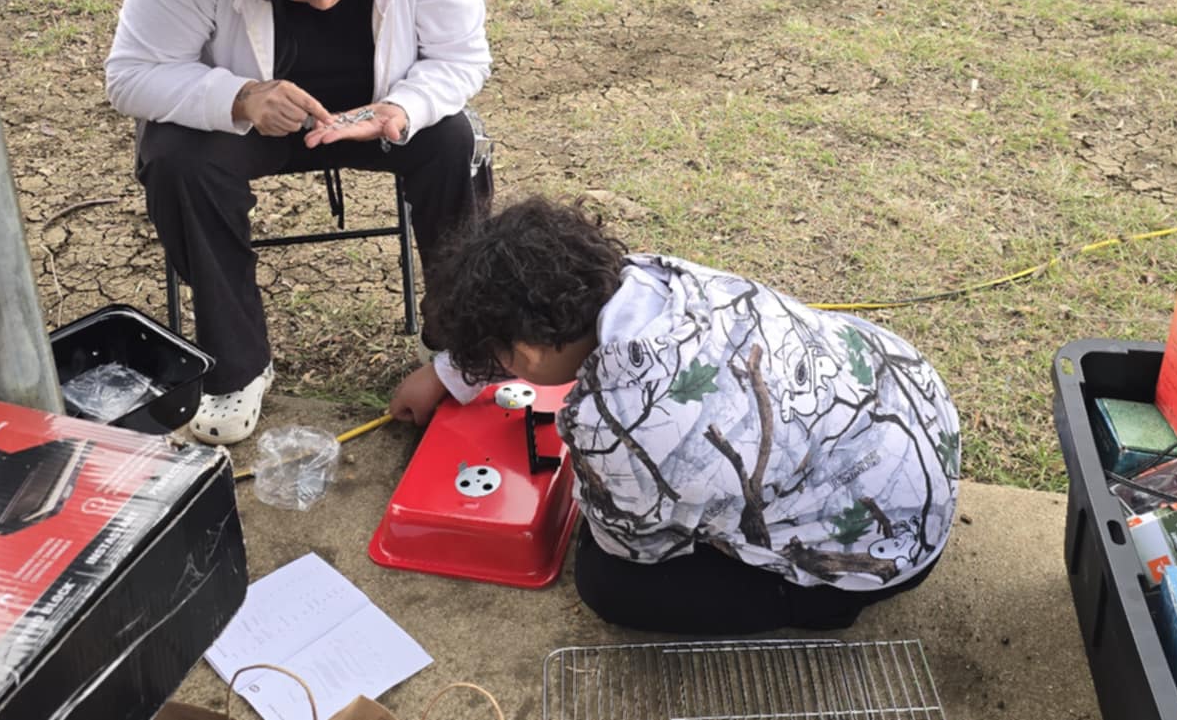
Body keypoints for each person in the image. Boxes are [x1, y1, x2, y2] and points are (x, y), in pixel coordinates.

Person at [389, 198, 962, 634]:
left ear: (528, 354)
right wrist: (447, 374)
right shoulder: (656, 276)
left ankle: (811, 604)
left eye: (495, 359)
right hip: (918, 426)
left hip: (886, 554)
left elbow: (637, 549)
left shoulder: (613, 424)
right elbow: (536, 318)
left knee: (606, 581)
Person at [109, 0, 492, 445]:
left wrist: (402, 108)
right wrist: (238, 97)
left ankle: (465, 349)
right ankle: (236, 365)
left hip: (376, 110)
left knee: (453, 142)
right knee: (177, 158)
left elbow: (462, 57)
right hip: (248, 118)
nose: (323, 3)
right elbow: (130, 75)